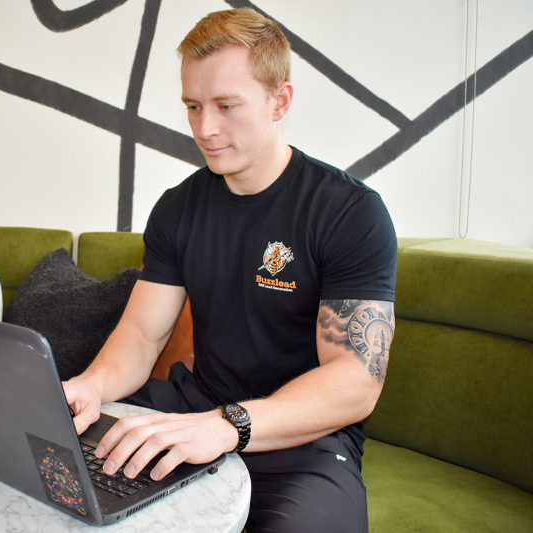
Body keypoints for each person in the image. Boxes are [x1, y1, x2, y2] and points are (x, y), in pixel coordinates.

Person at [63, 7, 397, 532]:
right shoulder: (178, 207)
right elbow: (142, 335)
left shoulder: (349, 212)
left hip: (303, 441)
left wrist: (228, 425)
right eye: (193, 106)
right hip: (194, 409)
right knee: (59, 472)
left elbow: (356, 381)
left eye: (226, 105)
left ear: (279, 101)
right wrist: (91, 384)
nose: (204, 128)